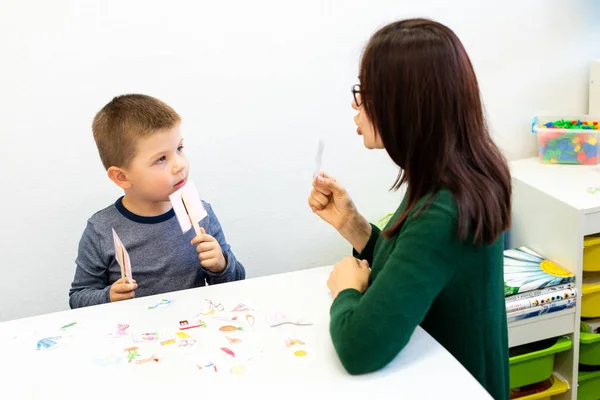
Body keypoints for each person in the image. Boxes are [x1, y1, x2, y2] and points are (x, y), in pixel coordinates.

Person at [308, 18, 510, 400]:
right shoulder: (452, 175)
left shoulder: (443, 209)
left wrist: (346, 291)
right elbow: (415, 266)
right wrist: (355, 227)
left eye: (364, 93)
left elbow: (359, 348)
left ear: (402, 103)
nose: (356, 105)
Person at [69, 94, 245, 308]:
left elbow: (235, 284)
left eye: (179, 149)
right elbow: (78, 297)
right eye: (161, 159)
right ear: (122, 177)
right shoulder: (101, 229)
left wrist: (221, 265)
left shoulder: (201, 213)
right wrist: (108, 297)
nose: (179, 165)